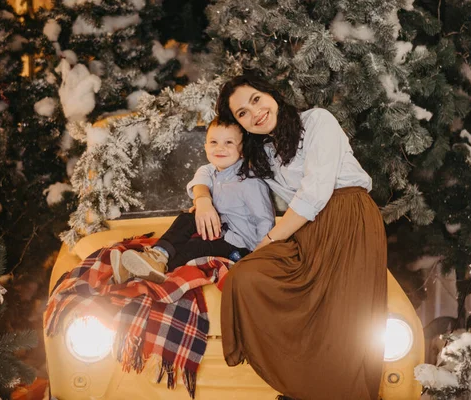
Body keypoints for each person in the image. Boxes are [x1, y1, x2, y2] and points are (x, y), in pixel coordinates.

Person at [190, 74, 388, 400]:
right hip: (303, 230)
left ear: (271, 93)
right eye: (242, 113)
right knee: (247, 276)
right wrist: (202, 198)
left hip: (348, 217)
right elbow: (211, 169)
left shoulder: (318, 122)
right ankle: (301, 385)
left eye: (255, 99)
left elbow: (315, 193)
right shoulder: (259, 153)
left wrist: (270, 239)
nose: (254, 113)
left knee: (342, 321)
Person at [111, 117, 275, 284]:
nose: (220, 148)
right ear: (205, 147)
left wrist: (259, 256)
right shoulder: (213, 172)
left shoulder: (250, 182)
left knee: (195, 247)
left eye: (229, 143)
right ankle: (157, 255)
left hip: (240, 246)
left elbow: (265, 220)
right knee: (188, 218)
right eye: (213, 142)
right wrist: (202, 201)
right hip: (221, 232)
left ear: (242, 150)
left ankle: (145, 271)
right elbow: (202, 174)